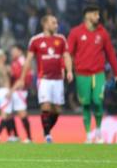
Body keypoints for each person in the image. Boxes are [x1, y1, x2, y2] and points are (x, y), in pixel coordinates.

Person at [67, 5, 117, 144]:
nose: (98, 17)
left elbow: (111, 54)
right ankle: (88, 134)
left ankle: (98, 131)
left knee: (98, 102)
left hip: (98, 74)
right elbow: (68, 53)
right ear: (87, 16)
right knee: (86, 104)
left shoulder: (103, 33)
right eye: (95, 14)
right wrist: (68, 70)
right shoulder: (75, 32)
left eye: (98, 14)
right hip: (81, 74)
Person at [14, 15, 73, 143]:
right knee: (46, 106)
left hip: (58, 79)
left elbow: (66, 56)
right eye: (53, 23)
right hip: (44, 78)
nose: (56, 25)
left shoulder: (61, 39)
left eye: (56, 23)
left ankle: (46, 128)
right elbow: (28, 61)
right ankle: (47, 135)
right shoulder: (35, 40)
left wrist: (69, 71)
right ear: (45, 24)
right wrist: (22, 78)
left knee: (57, 109)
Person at [9, 44, 33, 143]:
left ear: (19, 51)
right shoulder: (15, 62)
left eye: (14, 51)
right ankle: (15, 136)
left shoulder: (23, 61)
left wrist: (11, 90)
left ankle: (29, 137)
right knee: (10, 113)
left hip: (19, 91)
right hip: (15, 90)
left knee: (22, 113)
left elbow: (22, 79)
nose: (12, 53)